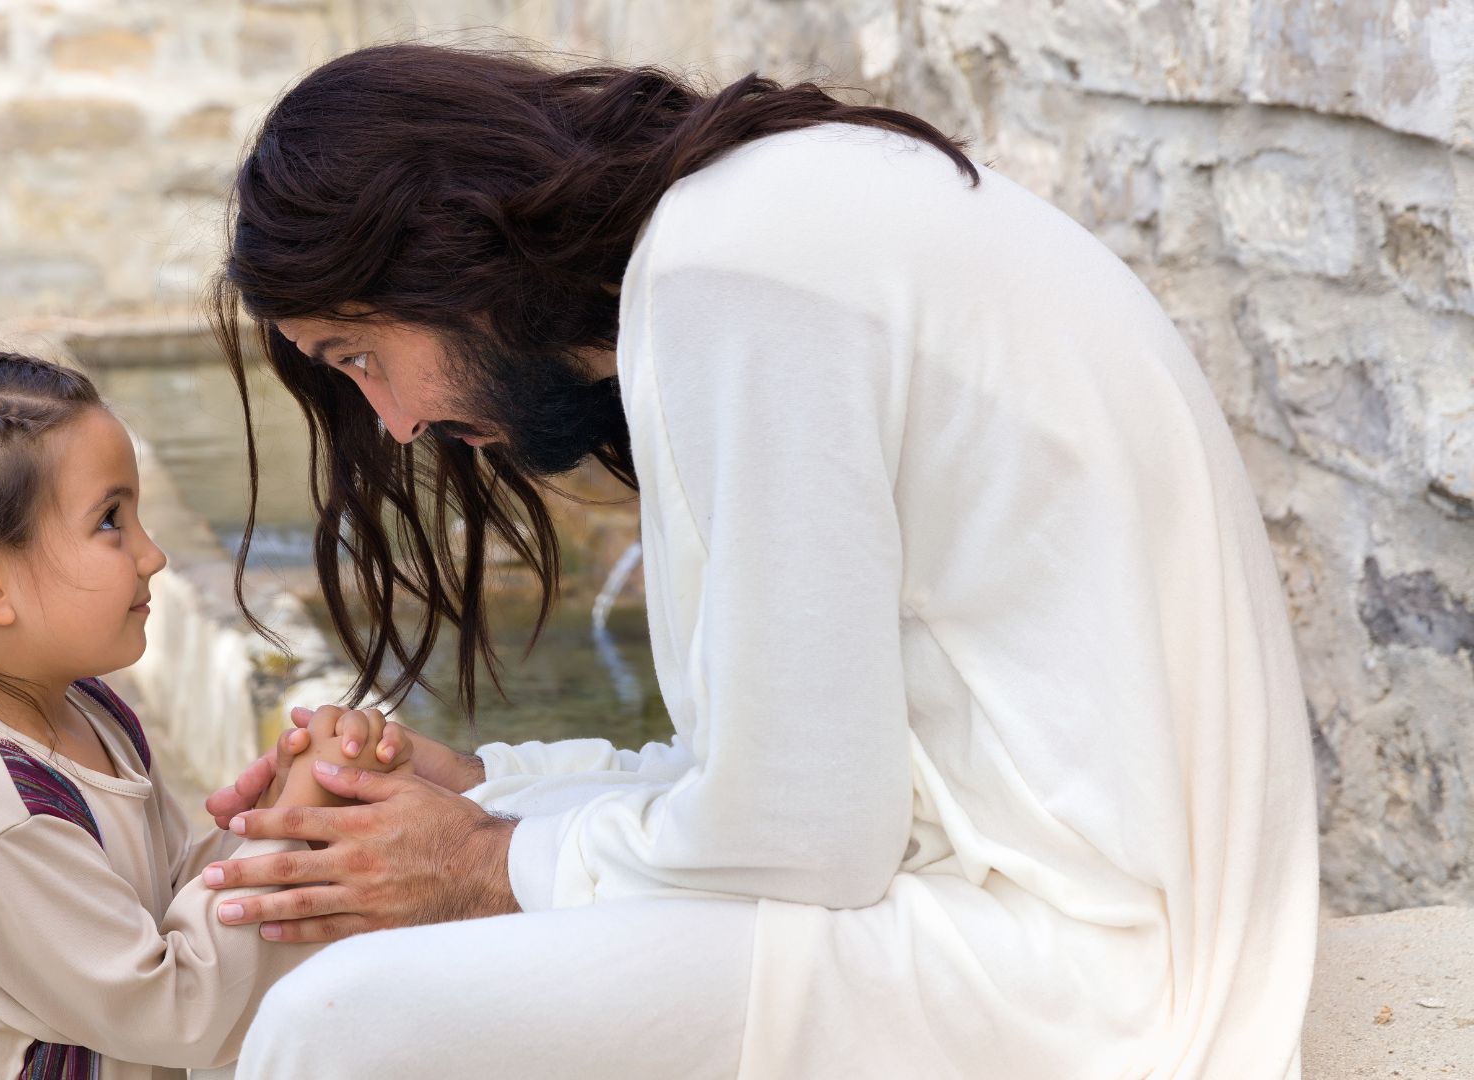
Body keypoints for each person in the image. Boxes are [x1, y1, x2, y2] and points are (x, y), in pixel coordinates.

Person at [197, 42, 1321, 1078]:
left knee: (334, 1018)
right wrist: (488, 792)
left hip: (1076, 970)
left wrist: (478, 865)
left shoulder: (725, 274)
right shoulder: (752, 221)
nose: (391, 423)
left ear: (436, 257)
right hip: (1050, 899)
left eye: (361, 357)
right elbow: (785, 785)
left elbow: (797, 836)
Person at [0, 345, 412, 1079]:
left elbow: (158, 899)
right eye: (111, 521)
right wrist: (282, 842)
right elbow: (180, 1009)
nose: (152, 555)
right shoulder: (0, 812)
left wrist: (281, 816)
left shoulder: (86, 712)